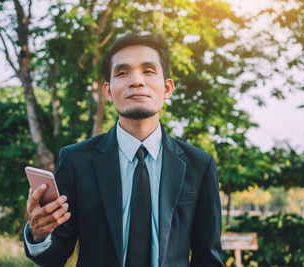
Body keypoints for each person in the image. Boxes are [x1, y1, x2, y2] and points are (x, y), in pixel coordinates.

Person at [24, 32, 224, 267]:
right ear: (108, 91)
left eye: (149, 71)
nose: (137, 81)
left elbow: (208, 259)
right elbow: (54, 256)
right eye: (122, 72)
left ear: (167, 88)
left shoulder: (199, 165)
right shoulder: (76, 160)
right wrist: (39, 235)